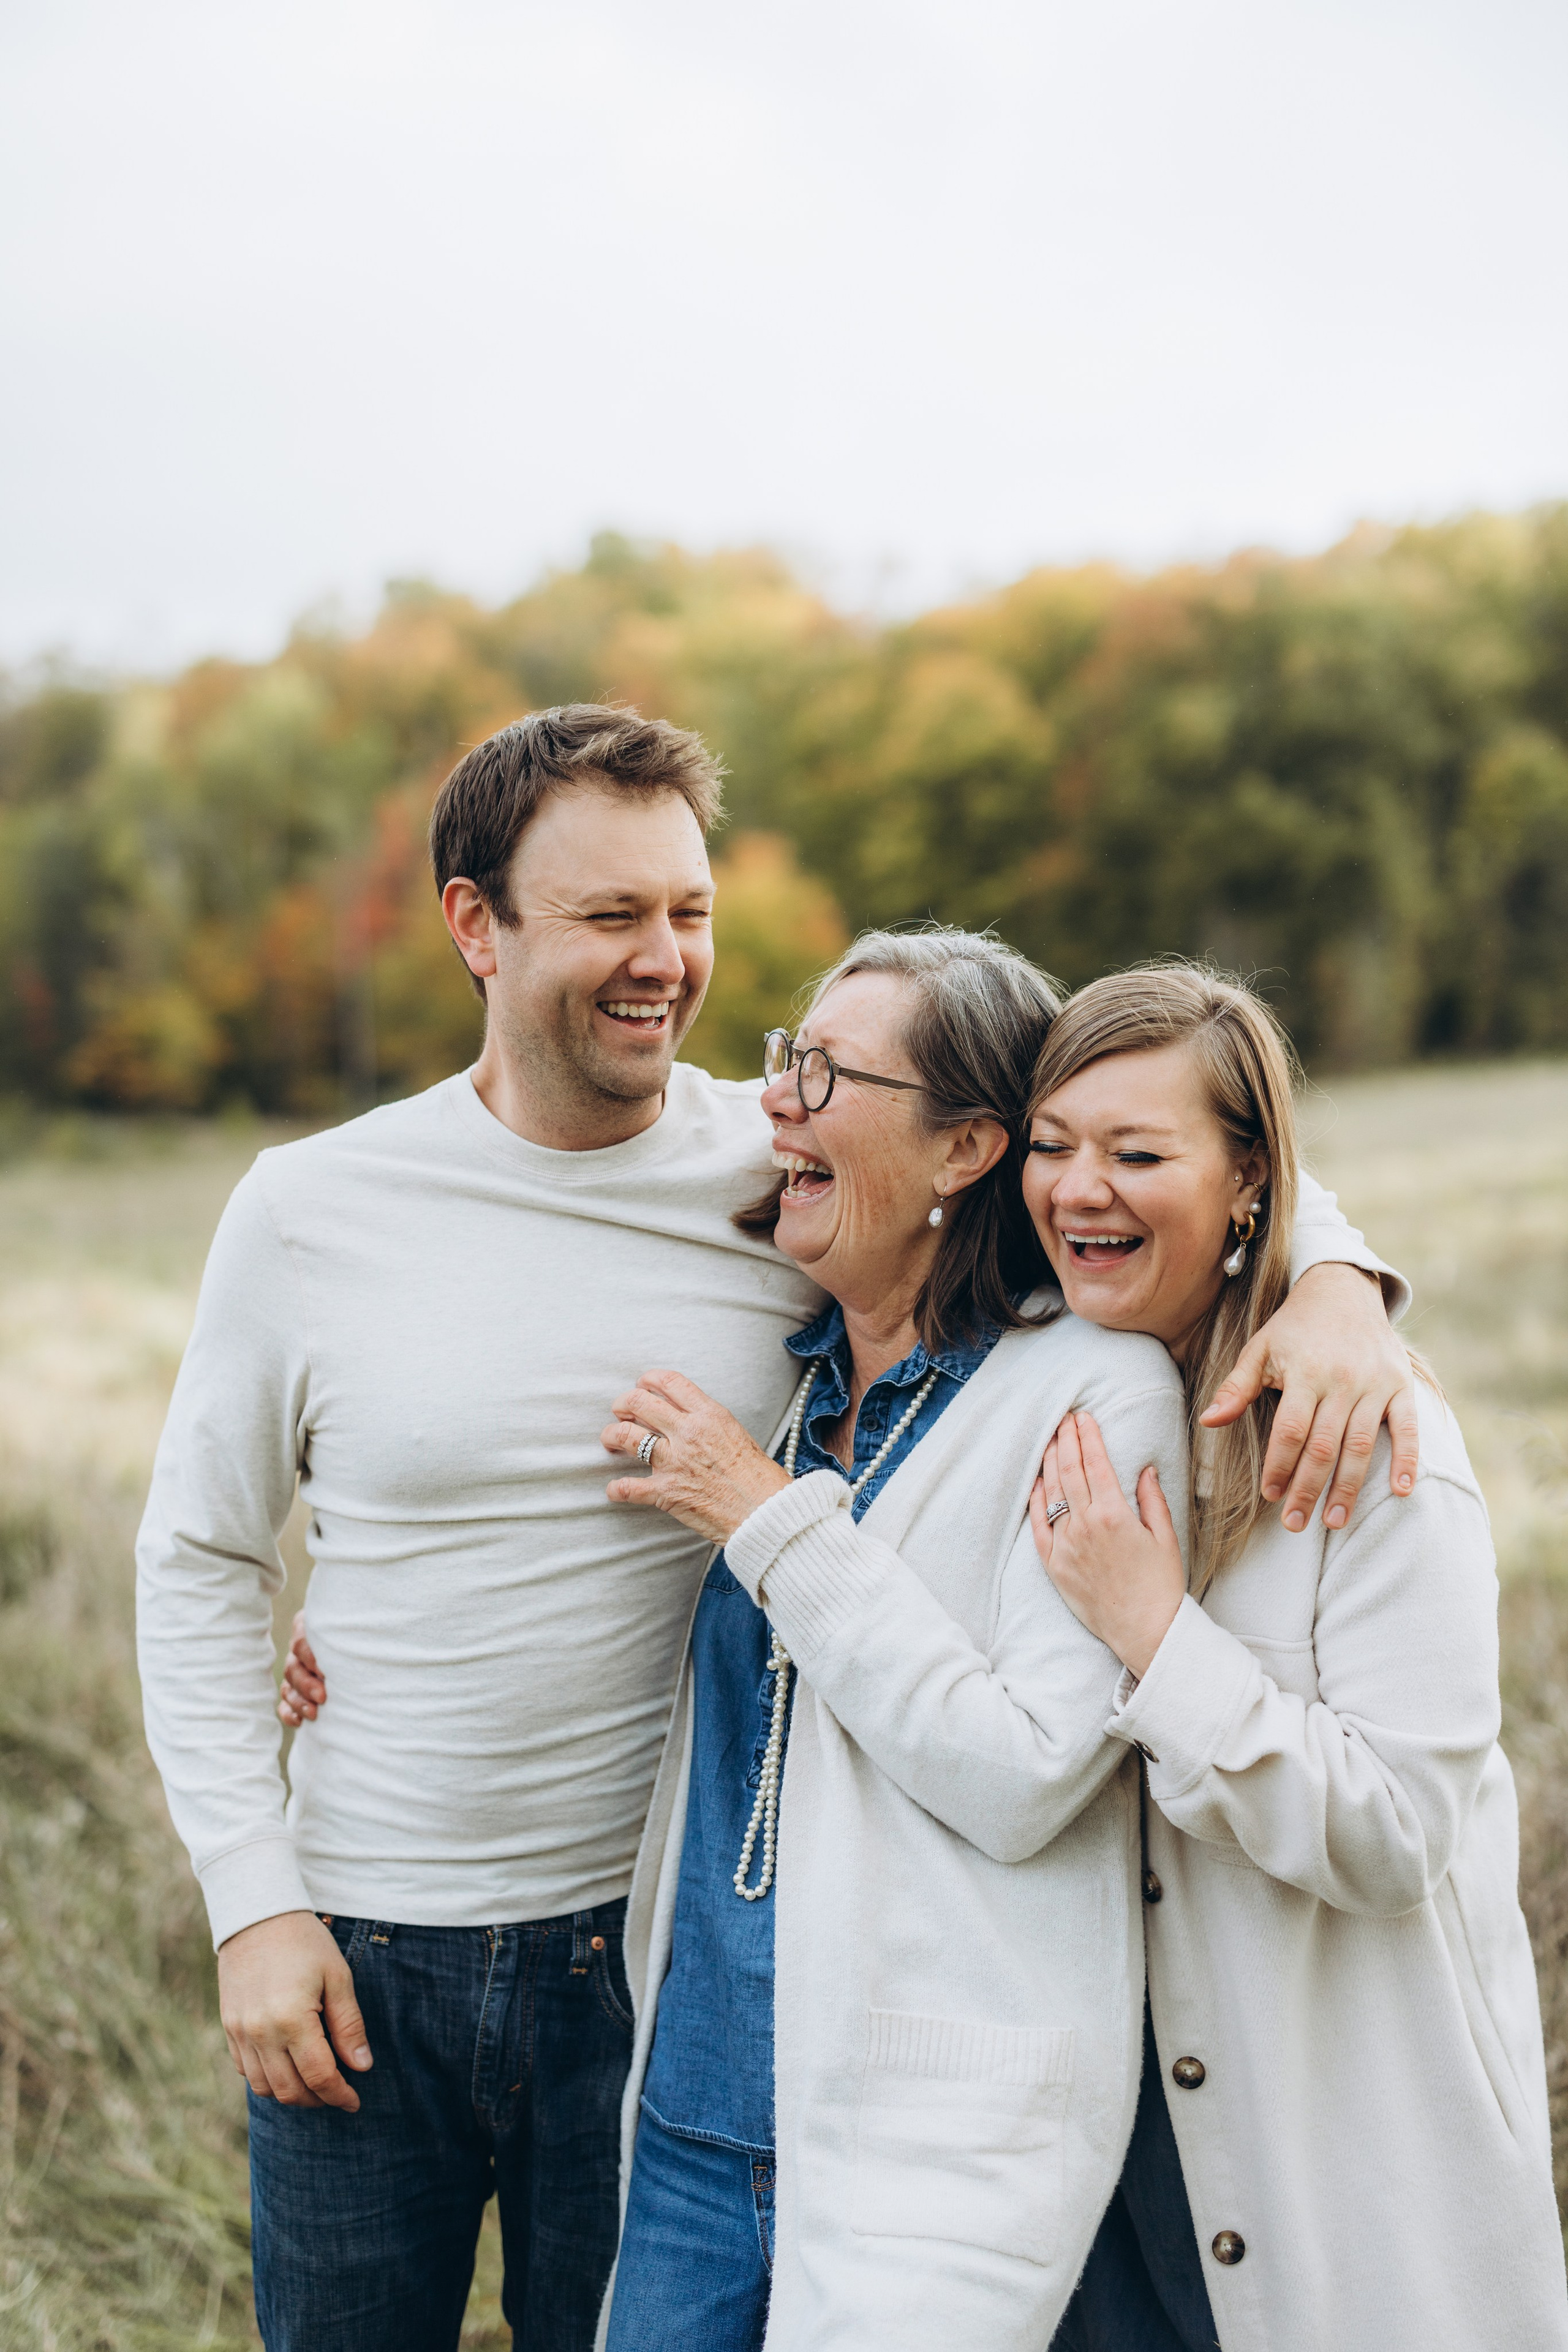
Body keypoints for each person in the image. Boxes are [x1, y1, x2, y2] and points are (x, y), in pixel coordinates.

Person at [165, 697, 1403, 2352]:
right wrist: (253, 1898)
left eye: (689, 912)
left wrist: (1332, 1277)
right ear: (474, 925)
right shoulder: (310, 1211)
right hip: (356, 1947)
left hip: (647, 1966)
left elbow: (1092, 1119)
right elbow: (197, 1558)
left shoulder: (781, 1166)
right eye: (612, 915)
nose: (665, 960)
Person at [578, 928, 1403, 2352]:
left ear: (964, 1150)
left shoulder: (1085, 1390)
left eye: (822, 1071)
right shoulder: (799, 1365)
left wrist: (768, 1523)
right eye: (783, 1055)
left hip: (917, 2137)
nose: (776, 1098)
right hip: (695, 2119)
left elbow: (1026, 1777)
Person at [1022, 964, 1568, 2352]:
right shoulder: (1035, 1378)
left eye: (1136, 1153)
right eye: (1051, 1146)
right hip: (1089, 2185)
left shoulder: (1368, 1440)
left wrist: (1152, 1633)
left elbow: (1392, 1832)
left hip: (1335, 2185)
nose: (1077, 1188)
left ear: (1249, 1179)